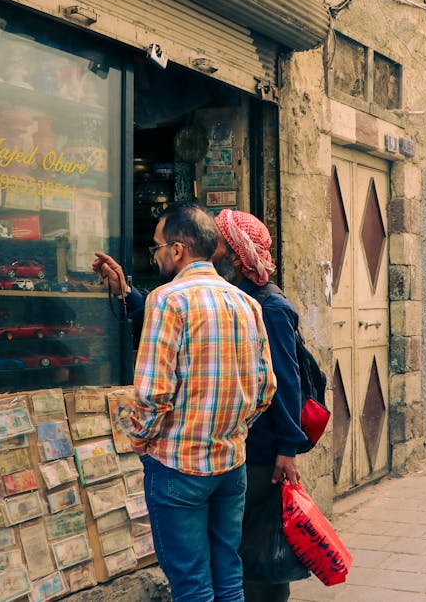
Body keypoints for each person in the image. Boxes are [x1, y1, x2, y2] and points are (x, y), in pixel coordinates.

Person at [95, 203, 276, 602]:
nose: (156, 255)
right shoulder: (248, 304)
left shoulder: (167, 300)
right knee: (228, 577)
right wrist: (234, 429)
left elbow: (152, 393)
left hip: (179, 466)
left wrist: (142, 442)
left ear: (178, 251)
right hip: (231, 465)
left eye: (157, 247)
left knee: (192, 585)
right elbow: (266, 388)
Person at [213, 208, 309, 602]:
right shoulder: (239, 298)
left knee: (258, 548)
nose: (210, 251)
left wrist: (288, 449)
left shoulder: (268, 307)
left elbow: (287, 383)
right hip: (247, 446)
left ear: (236, 254)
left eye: (216, 243)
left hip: (264, 452)